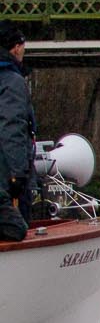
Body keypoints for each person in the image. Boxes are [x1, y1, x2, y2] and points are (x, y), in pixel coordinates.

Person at [0, 23, 33, 241]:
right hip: (6, 173)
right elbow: (11, 128)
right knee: (17, 228)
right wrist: (17, 175)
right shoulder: (11, 80)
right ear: (16, 47)